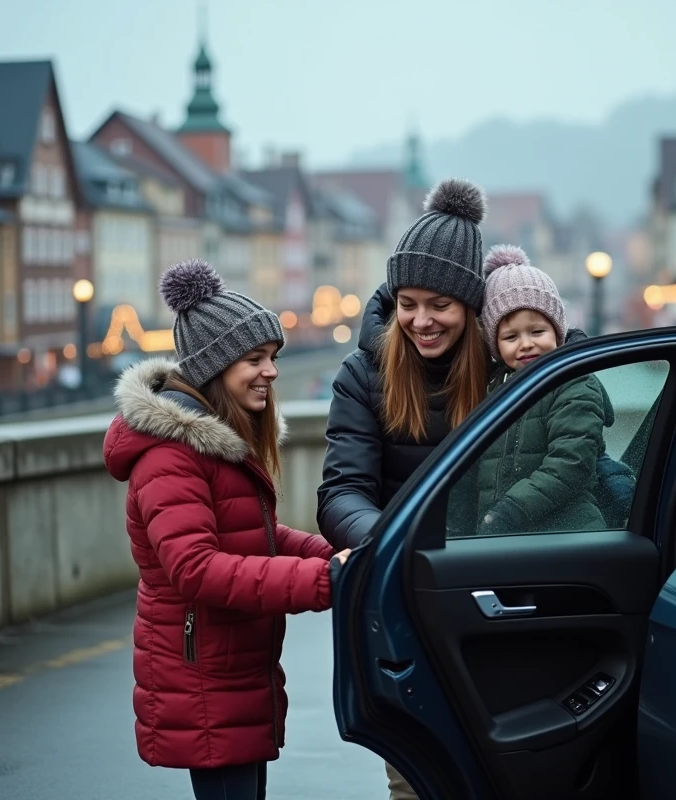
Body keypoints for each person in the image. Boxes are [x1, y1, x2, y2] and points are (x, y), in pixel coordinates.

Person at [103, 259, 349, 800]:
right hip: (204, 673)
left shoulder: (213, 445)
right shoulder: (170, 455)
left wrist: (334, 552)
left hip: (229, 664)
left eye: (273, 358)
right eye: (255, 359)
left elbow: (254, 535)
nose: (272, 372)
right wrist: (323, 581)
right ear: (215, 367)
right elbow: (197, 568)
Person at [317, 178, 490, 800]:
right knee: (417, 779)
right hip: (404, 606)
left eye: (439, 304)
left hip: (496, 595)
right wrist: (395, 545)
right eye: (408, 302)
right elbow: (341, 493)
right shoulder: (364, 373)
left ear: (471, 306)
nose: (421, 320)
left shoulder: (509, 368)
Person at [467, 245, 607, 535]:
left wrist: (509, 512)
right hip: (507, 537)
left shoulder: (573, 383)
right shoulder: (492, 389)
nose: (526, 343)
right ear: (495, 344)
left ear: (557, 331)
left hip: (566, 535)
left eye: (537, 331)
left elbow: (570, 462)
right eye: (510, 336)